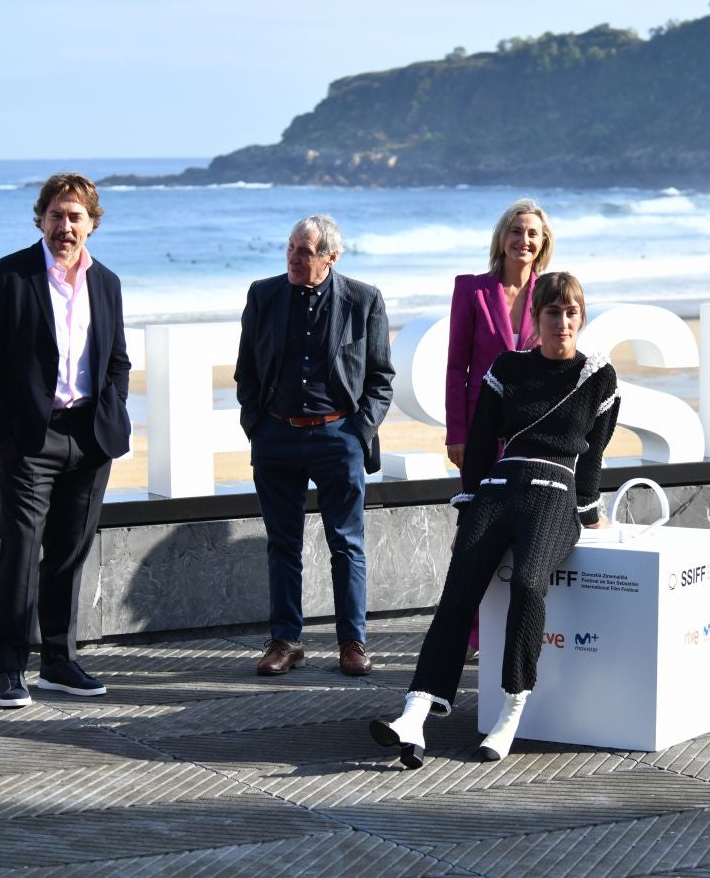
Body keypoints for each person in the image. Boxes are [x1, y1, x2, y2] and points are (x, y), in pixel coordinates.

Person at [370, 272, 619, 769]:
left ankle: (512, 709)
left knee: (528, 585)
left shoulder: (600, 376)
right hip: (499, 488)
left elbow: (591, 457)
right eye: (552, 313)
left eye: (571, 313)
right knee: (459, 589)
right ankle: (414, 713)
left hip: (554, 493)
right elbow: (482, 441)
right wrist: (469, 500)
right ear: (536, 318)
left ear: (581, 318)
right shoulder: (507, 366)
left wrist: (589, 513)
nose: (562, 322)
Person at [0, 173, 132, 709]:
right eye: (57, 215)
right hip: (29, 440)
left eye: (76, 216)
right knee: (20, 551)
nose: (66, 226)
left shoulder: (106, 283)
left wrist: (110, 418)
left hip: (88, 437)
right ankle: (11, 667)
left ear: (92, 224)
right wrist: (3, 435)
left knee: (68, 553)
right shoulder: (10, 276)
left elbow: (117, 361)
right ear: (41, 218)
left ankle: (59, 662)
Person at [235, 215, 395, 678]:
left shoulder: (364, 299)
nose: (293, 257)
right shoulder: (263, 294)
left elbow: (381, 378)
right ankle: (286, 641)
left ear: (331, 256)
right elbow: (246, 369)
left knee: (346, 545)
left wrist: (357, 431)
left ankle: (353, 643)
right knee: (282, 544)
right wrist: (257, 426)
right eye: (290, 247)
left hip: (337, 435)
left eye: (304, 252)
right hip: (276, 436)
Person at [446, 198, 554, 659]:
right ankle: (469, 634)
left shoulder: (550, 293)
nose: (523, 240)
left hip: (531, 433)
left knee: (523, 532)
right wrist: (457, 433)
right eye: (516, 231)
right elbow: (456, 368)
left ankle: (511, 630)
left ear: (543, 243)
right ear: (502, 238)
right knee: (474, 531)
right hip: (480, 432)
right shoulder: (471, 290)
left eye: (532, 233)